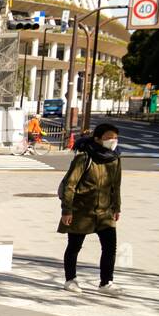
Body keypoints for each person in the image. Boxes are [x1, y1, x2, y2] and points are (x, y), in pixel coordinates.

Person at [59, 123, 122, 296]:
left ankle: (106, 282)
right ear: (97, 139)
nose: (113, 141)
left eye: (115, 137)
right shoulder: (84, 157)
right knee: (74, 246)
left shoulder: (115, 158)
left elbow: (116, 186)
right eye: (109, 138)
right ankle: (70, 280)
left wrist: (117, 207)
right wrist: (67, 210)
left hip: (105, 211)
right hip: (81, 210)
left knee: (110, 247)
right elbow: (70, 185)